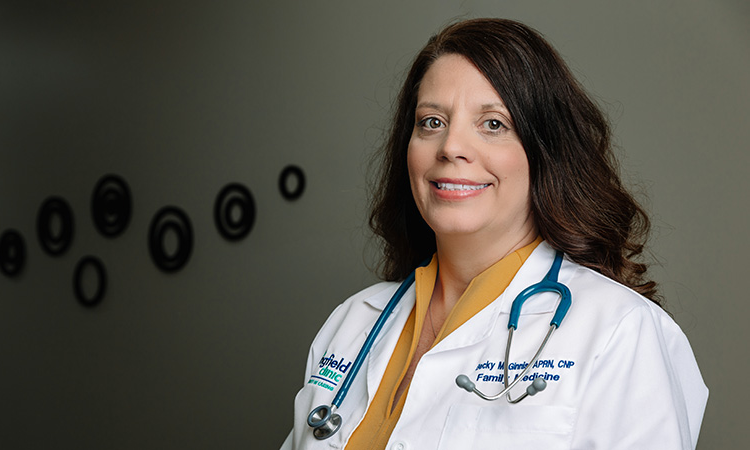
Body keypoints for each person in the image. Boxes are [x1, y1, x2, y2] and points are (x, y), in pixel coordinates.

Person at [281, 18, 707, 449]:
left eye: (493, 124)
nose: (451, 147)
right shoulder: (352, 325)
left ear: (545, 153)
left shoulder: (620, 331)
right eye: (431, 122)